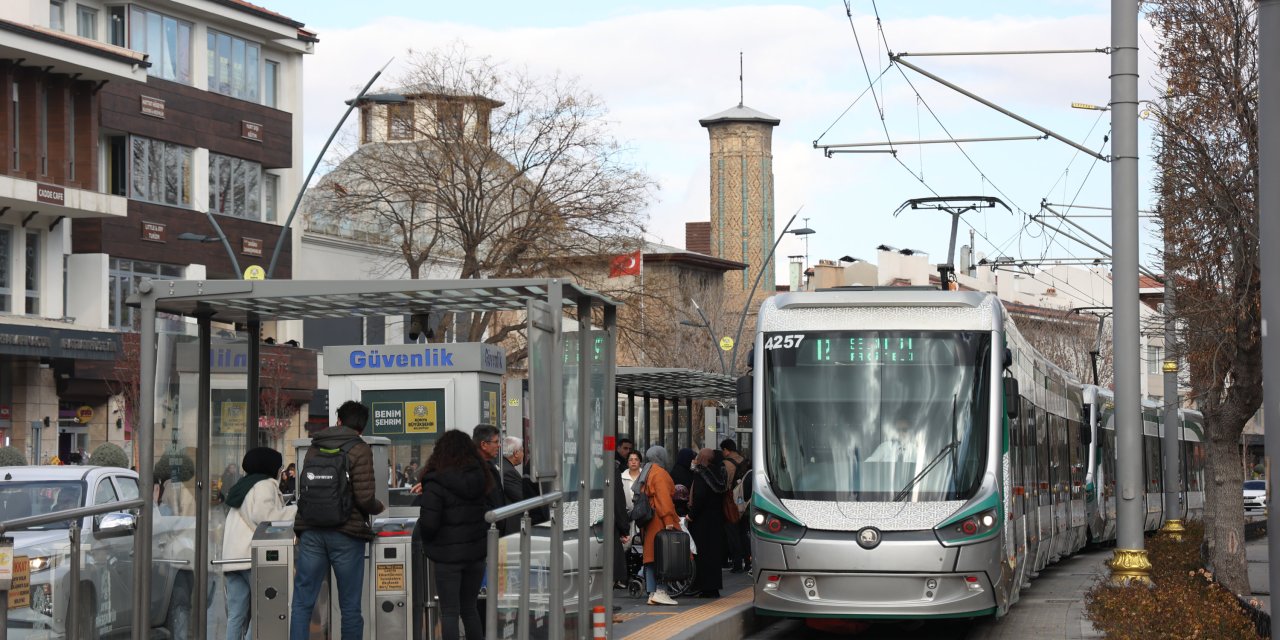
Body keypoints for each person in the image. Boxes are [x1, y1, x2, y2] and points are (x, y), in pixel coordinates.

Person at [290, 401, 385, 640]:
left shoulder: (315, 446)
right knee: (350, 606)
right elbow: (364, 498)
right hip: (346, 533)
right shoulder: (360, 449)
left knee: (302, 602)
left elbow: (305, 489)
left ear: (339, 420)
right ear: (361, 427)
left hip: (311, 530)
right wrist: (379, 507)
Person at [418, 429, 491, 640]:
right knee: (469, 609)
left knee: (449, 611)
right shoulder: (480, 476)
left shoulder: (435, 481)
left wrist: (430, 543)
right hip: (475, 555)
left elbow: (429, 523)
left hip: (447, 557)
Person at [222, 448, 296, 640]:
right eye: (279, 467)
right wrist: (295, 510)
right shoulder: (264, 485)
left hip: (233, 559)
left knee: (236, 616)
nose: (281, 472)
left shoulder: (243, 485)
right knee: (263, 611)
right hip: (252, 559)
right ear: (271, 467)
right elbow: (267, 519)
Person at [640, 445, 681, 606]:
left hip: (649, 520)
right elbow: (664, 499)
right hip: (659, 520)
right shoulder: (660, 473)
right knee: (664, 557)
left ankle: (651, 592)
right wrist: (669, 520)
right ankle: (661, 591)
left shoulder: (647, 471)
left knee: (650, 558)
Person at [687, 448, 728, 597]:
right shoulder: (719, 473)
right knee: (714, 554)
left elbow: (699, 496)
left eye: (698, 456)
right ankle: (713, 586)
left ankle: (705, 587)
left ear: (703, 458)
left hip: (702, 520)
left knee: (702, 554)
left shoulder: (701, 473)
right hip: (716, 519)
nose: (696, 459)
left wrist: (691, 516)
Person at [720, 438, 751, 573]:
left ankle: (737, 563)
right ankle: (748, 562)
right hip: (744, 503)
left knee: (732, 533)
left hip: (731, 504)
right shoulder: (744, 461)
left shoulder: (726, 464)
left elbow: (725, 485)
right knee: (743, 533)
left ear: (726, 450)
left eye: (723, 450)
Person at [471, 424, 509, 534]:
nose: (499, 445)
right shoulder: (472, 469)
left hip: (494, 532)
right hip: (485, 535)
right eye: (496, 442)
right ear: (483, 445)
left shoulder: (489, 466)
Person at [670, 448, 696, 518]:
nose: (693, 461)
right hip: (682, 510)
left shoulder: (675, 470)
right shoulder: (684, 474)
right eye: (692, 459)